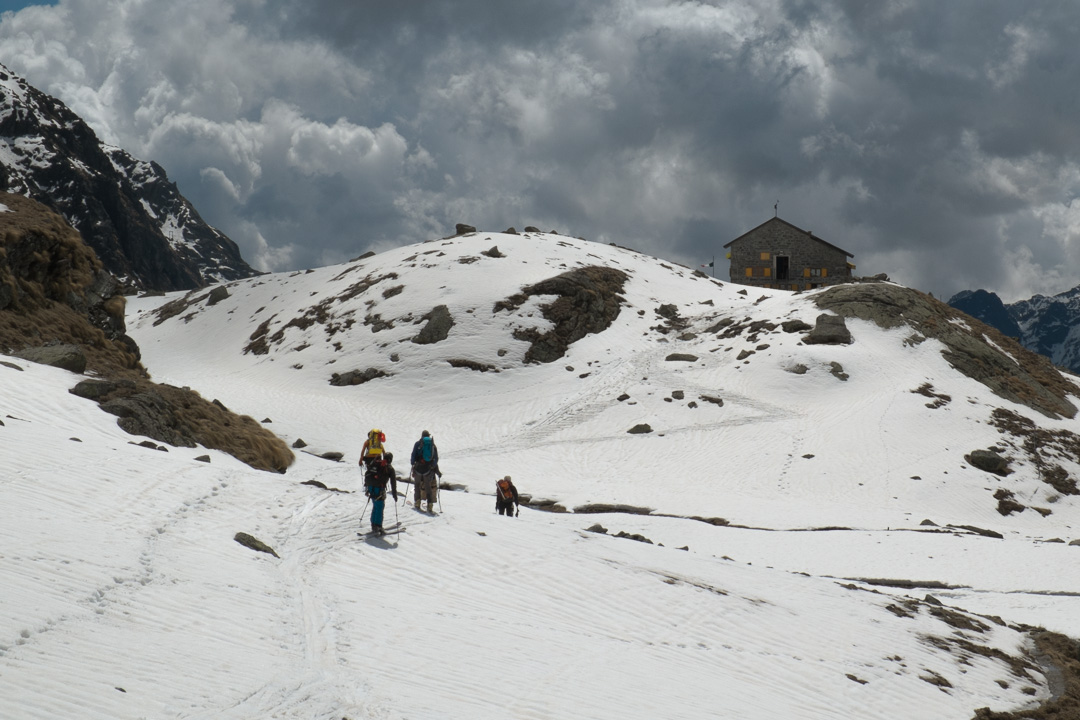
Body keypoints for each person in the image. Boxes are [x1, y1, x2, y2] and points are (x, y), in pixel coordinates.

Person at [360, 430, 398, 535]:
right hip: (379, 488)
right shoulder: (389, 468)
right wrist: (394, 494)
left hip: (371, 487)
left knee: (375, 505)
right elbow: (393, 482)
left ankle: (373, 525)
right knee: (380, 507)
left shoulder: (375, 463)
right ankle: (378, 526)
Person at [410, 430, 442, 513]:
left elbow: (413, 455)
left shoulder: (417, 444)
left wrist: (413, 464)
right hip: (428, 469)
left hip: (418, 468)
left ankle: (417, 502)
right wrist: (433, 466)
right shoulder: (432, 445)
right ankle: (430, 504)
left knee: (417, 485)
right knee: (428, 487)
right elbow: (436, 458)